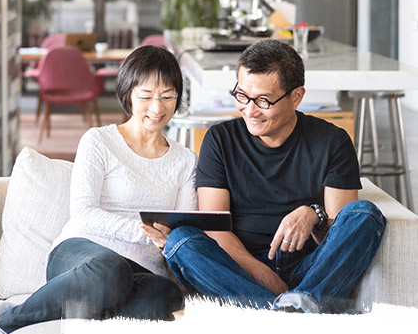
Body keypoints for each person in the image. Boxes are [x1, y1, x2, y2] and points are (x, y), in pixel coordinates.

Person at [0, 46, 197, 334]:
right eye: (146, 95)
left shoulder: (185, 161)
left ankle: (48, 303)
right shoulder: (99, 141)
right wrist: (143, 232)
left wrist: (173, 240)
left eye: (167, 96)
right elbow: (84, 213)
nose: (157, 107)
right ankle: (9, 323)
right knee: (110, 270)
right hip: (83, 254)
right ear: (128, 93)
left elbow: (182, 226)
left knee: (166, 296)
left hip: (143, 268)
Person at [159, 39, 386, 314]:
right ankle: (295, 309)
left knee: (364, 214)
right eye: (242, 96)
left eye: (264, 100)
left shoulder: (332, 141)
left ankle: (291, 304)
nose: (250, 110)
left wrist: (315, 215)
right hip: (240, 271)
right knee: (181, 241)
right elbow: (216, 228)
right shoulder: (219, 140)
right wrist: (262, 274)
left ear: (296, 96)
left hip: (311, 269)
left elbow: (336, 235)